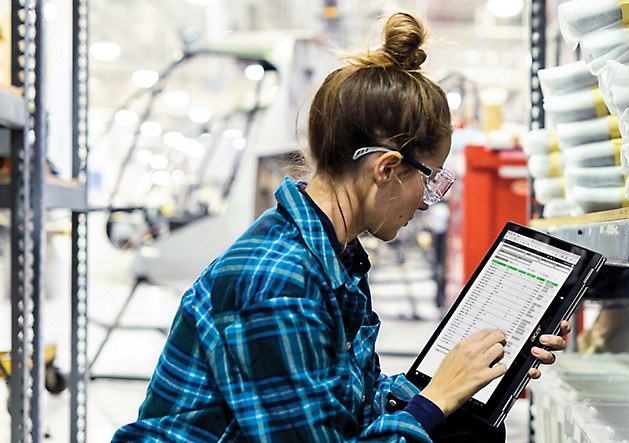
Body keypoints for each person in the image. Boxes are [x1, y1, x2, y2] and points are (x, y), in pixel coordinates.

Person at [112, 11, 569, 442]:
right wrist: (437, 397)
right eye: (431, 180)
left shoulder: (333, 259)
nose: (430, 202)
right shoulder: (276, 281)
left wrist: (471, 374)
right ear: (388, 169)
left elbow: (347, 402)